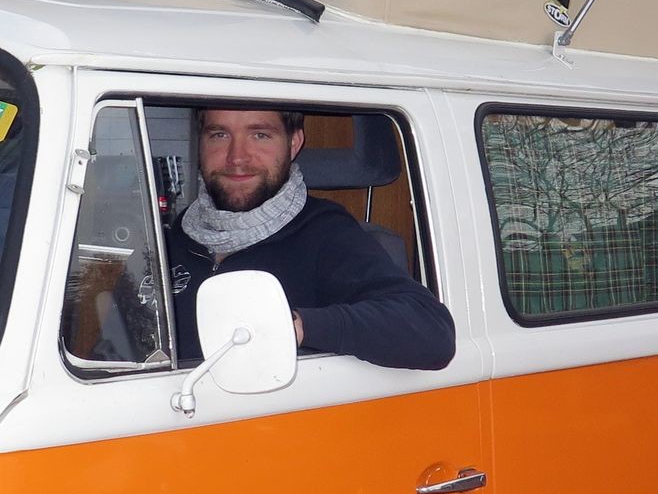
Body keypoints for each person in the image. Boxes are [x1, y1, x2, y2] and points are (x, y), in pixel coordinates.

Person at [166, 107, 455, 370]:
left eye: (260, 135)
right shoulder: (173, 236)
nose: (237, 156)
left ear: (294, 143)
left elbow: (433, 332)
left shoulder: (325, 233)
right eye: (219, 134)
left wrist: (296, 326)